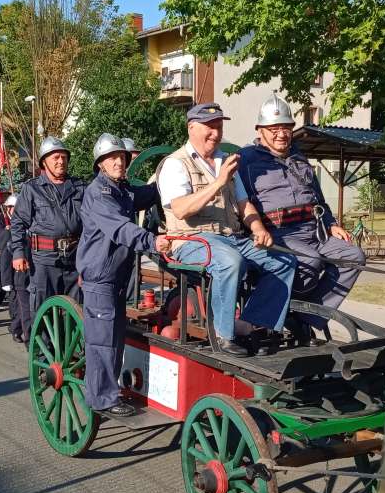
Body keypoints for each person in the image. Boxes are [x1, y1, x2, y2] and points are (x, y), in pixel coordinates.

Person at [155, 102, 297, 356]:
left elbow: (244, 204)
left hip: (231, 238)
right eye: (209, 127)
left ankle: (254, 325)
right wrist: (219, 182)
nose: (216, 133)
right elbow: (181, 210)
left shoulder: (224, 161)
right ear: (191, 128)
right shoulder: (175, 164)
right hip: (190, 240)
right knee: (230, 262)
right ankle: (223, 335)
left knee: (284, 260)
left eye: (219, 127)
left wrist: (258, 228)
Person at [237, 93, 365, 338]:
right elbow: (238, 201)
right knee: (310, 260)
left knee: (354, 256)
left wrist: (331, 224)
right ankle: (280, 310)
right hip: (279, 234)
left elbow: (319, 199)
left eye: (286, 127)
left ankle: (306, 317)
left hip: (313, 229)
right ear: (260, 130)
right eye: (273, 128)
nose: (281, 134)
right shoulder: (246, 159)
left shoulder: (299, 158)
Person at [78, 133, 168, 417]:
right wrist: (152, 241)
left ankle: (108, 390)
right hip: (100, 277)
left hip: (117, 276)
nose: (118, 161)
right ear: (100, 164)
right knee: (102, 340)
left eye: (121, 157)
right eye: (111, 158)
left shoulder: (123, 190)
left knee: (116, 337)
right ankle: (102, 398)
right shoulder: (99, 194)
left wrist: (169, 173)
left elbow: (150, 193)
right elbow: (120, 228)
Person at [10, 136, 85, 313]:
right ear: (44, 162)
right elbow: (18, 222)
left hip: (74, 260)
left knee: (74, 311)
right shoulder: (32, 189)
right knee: (44, 310)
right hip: (44, 261)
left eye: (64, 157)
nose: (61, 161)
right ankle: (42, 340)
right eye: (56, 158)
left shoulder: (80, 187)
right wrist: (18, 253)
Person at [0, 194, 30, 344]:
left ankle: (16, 327)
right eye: (11, 207)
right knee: (18, 306)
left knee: (23, 306)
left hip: (28, 269)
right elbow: (5, 256)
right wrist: (6, 280)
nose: (14, 210)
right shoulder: (7, 229)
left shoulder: (26, 224)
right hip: (13, 273)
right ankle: (16, 329)